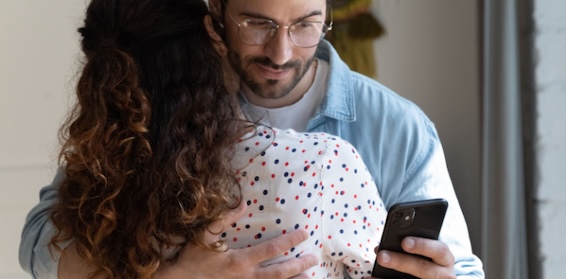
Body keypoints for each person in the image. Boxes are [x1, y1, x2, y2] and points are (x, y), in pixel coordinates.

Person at [20, 0, 485, 278]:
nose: (281, 53)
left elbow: (464, 270)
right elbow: (40, 240)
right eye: (257, 23)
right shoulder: (155, 109)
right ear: (215, 18)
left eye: (305, 24)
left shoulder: (398, 127)